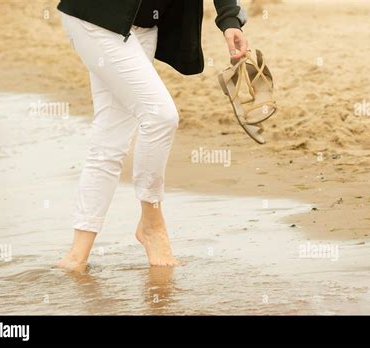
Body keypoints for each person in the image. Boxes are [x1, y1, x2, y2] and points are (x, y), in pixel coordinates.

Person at [56, 0, 248, 271]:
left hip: (144, 27)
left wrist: (229, 19)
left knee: (110, 138)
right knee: (160, 116)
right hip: (98, 18)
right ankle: (152, 223)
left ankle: (77, 257)